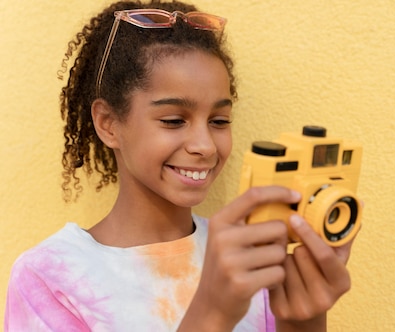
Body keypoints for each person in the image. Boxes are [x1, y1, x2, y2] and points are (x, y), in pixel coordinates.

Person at [4, 0, 357, 331]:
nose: (204, 146)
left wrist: (303, 320)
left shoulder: (248, 251)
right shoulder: (49, 277)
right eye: (174, 120)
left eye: (219, 121)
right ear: (108, 123)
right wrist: (213, 312)